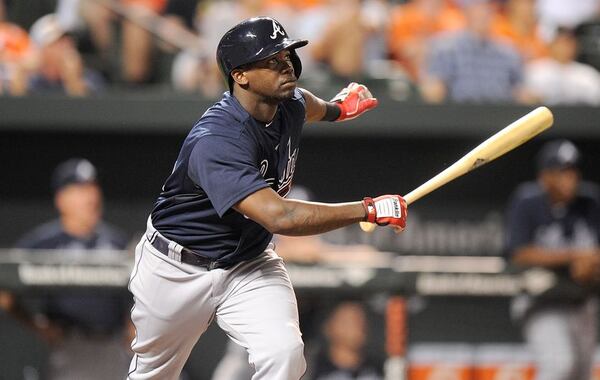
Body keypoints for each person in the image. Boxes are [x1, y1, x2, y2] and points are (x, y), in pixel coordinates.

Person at [127, 16, 407, 380]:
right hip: (177, 269)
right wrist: (367, 210)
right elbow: (280, 217)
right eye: (271, 60)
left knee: (284, 354)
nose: (286, 65)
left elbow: (309, 104)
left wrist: (340, 109)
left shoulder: (289, 103)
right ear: (240, 75)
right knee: (153, 375)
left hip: (248, 262)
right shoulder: (215, 140)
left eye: (287, 55)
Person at [12, 158, 132, 379]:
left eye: (93, 188)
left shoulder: (116, 241)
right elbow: (6, 287)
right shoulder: (44, 243)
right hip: (70, 345)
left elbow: (139, 291)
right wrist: (37, 325)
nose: (90, 197)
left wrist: (133, 327)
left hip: (112, 346)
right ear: (61, 198)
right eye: (80, 190)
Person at [505, 140, 600, 380]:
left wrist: (591, 264)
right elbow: (520, 253)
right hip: (541, 300)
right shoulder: (527, 202)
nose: (569, 178)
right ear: (544, 176)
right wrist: (575, 256)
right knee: (558, 365)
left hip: (580, 300)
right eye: (561, 172)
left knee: (581, 373)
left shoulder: (590, 202)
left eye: (572, 171)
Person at [419, 0, 533, 104]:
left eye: (486, 8)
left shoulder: (508, 51)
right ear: (466, 12)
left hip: (500, 115)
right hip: (459, 116)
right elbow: (434, 90)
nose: (482, 13)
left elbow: (520, 90)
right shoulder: (446, 48)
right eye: (477, 8)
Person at [524, 27, 600, 106]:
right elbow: (525, 97)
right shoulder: (535, 69)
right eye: (560, 43)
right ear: (551, 44)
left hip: (581, 116)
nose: (564, 48)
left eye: (569, 43)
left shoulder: (588, 74)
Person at [307, 301, 383, 380]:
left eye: (361, 320)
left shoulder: (379, 368)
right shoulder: (310, 369)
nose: (359, 327)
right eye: (350, 321)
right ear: (328, 327)